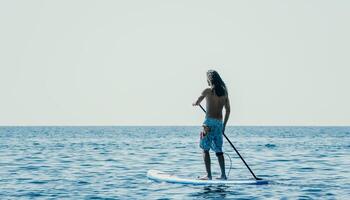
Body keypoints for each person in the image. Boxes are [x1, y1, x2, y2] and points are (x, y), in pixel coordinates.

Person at [192, 70, 231, 180]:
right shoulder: (224, 93)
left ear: (209, 79)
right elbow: (228, 110)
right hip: (219, 124)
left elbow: (198, 101)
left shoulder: (208, 91)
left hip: (208, 124)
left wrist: (195, 103)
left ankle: (209, 175)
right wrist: (224, 126)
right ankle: (223, 175)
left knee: (205, 149)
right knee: (219, 150)